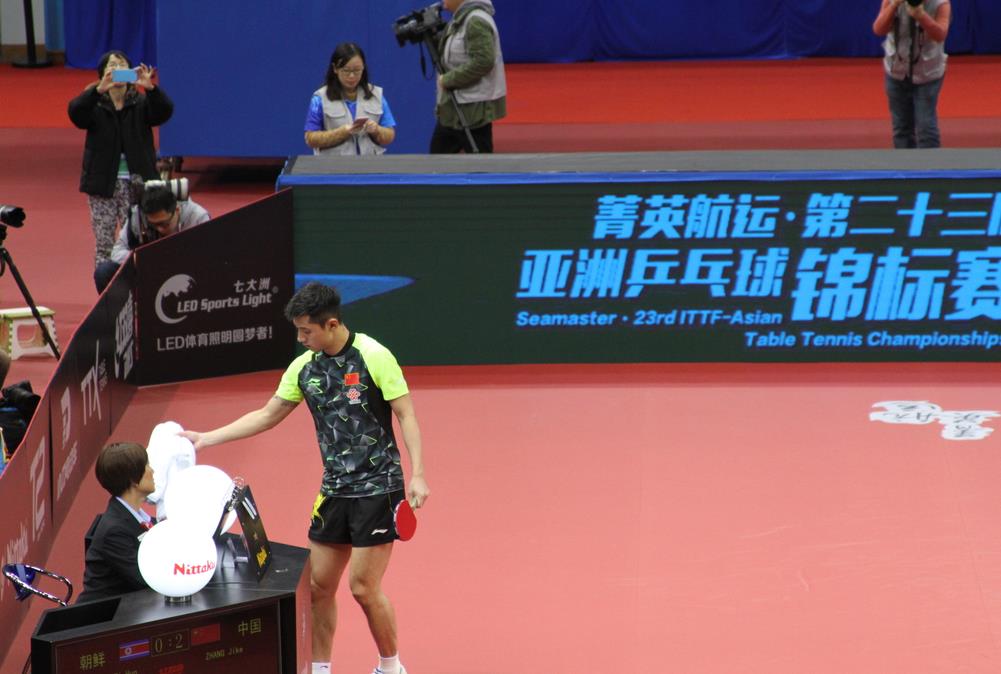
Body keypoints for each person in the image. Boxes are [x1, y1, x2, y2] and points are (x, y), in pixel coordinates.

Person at [180, 282, 429, 674]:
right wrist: (206, 438)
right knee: (316, 588)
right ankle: (321, 669)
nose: (300, 339)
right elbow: (267, 415)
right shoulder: (303, 368)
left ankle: (391, 666)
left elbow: (406, 414)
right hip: (334, 491)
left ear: (331, 325)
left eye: (305, 331)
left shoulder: (374, 356)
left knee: (363, 589)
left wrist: (419, 475)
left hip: (378, 489)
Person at [68, 50, 173, 287]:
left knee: (137, 238)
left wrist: (151, 89)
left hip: (137, 183)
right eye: (111, 66)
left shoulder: (141, 102)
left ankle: (137, 288)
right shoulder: (94, 102)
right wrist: (98, 90)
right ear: (102, 73)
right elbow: (76, 114)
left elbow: (164, 111)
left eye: (121, 65)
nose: (117, 69)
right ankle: (104, 291)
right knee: (104, 243)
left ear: (130, 72)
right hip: (102, 185)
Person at [94, 182, 210, 292]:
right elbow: (117, 252)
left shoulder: (198, 217)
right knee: (104, 272)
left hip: (186, 272)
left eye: (164, 224)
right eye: (153, 225)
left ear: (177, 210)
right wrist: (141, 257)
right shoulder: (137, 215)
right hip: (148, 270)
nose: (159, 229)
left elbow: (208, 256)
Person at [77, 442, 156, 603]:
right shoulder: (114, 531)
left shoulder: (141, 518)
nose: (152, 470)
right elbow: (147, 580)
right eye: (147, 466)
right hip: (105, 615)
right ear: (134, 479)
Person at [430, 0, 506, 154]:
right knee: (437, 160)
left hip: (473, 110)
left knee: (479, 163)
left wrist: (448, 79)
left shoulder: (475, 21)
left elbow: (483, 62)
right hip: (453, 107)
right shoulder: (461, 18)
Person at [873, 0, 951, 148]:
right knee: (901, 127)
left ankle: (931, 162)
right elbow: (878, 29)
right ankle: (904, 162)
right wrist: (893, 5)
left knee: (926, 127)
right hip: (896, 71)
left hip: (928, 74)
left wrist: (921, 16)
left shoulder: (941, 3)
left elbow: (940, 34)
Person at [304, 43, 397, 156]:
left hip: (370, 164)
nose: (352, 76)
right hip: (333, 165)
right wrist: (342, 132)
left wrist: (377, 130)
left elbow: (390, 135)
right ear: (335, 68)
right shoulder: (319, 98)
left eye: (357, 70)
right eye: (346, 70)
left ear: (363, 68)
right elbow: (310, 138)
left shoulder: (376, 95)